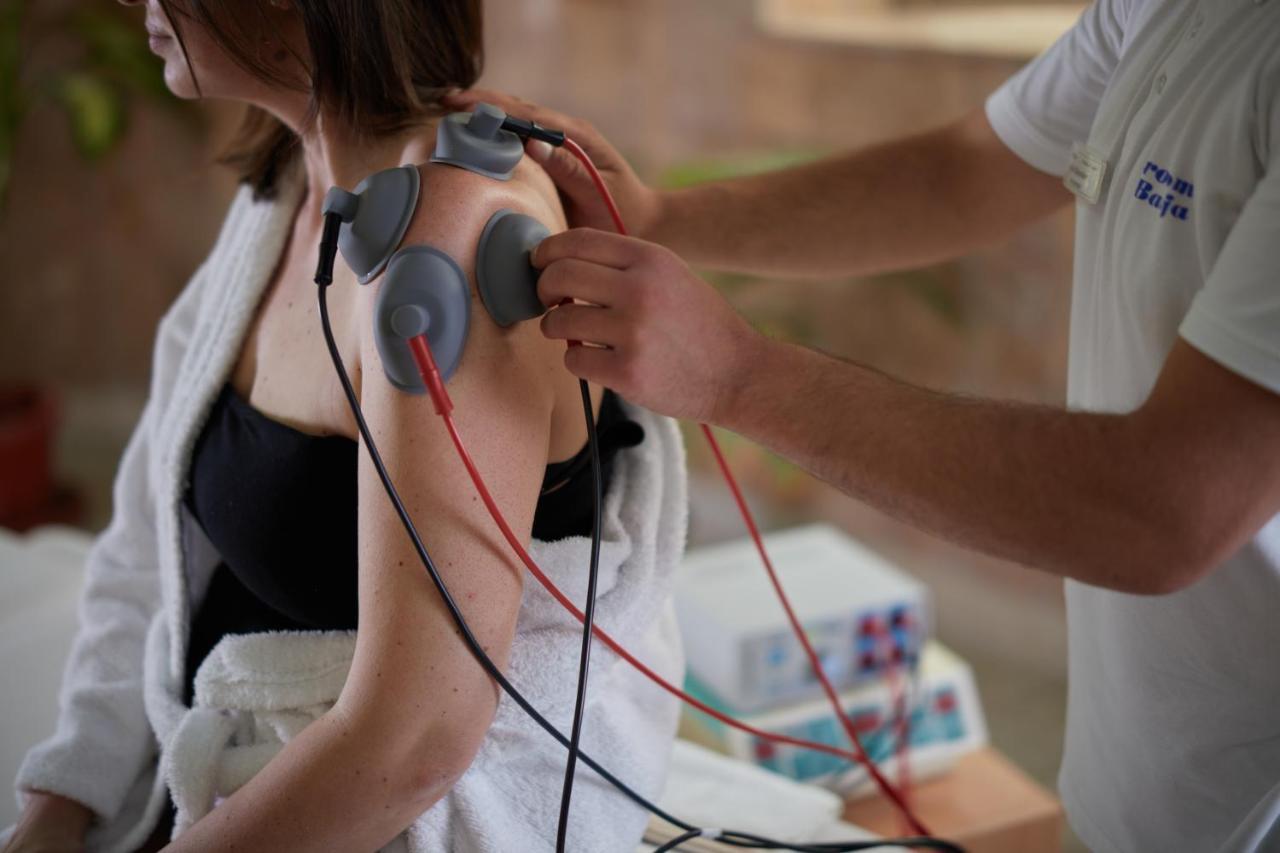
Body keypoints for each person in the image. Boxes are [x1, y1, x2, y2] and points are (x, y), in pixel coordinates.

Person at [448, 0, 1280, 848]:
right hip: (1141, 785)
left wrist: (741, 376)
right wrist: (661, 219)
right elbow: (967, 172)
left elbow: (1163, 510)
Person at [2, 2, 685, 851]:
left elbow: (415, 740)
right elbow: (150, 540)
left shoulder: (453, 242)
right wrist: (60, 804)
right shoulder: (295, 188)